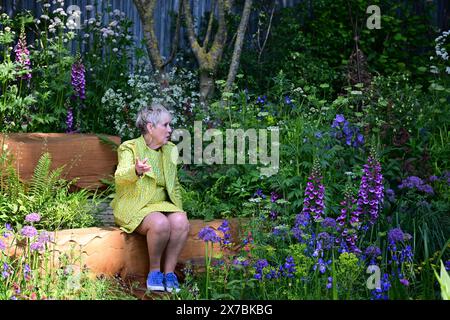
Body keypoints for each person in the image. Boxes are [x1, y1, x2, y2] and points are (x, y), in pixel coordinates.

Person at [111, 103, 189, 293]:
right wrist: (136, 171)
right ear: (150, 127)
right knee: (160, 224)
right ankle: (154, 272)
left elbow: (174, 184)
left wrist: (179, 209)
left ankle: (169, 274)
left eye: (170, 125)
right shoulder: (129, 148)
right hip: (135, 204)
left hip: (162, 204)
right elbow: (120, 176)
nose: (170, 130)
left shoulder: (170, 150)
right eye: (166, 125)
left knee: (180, 221)